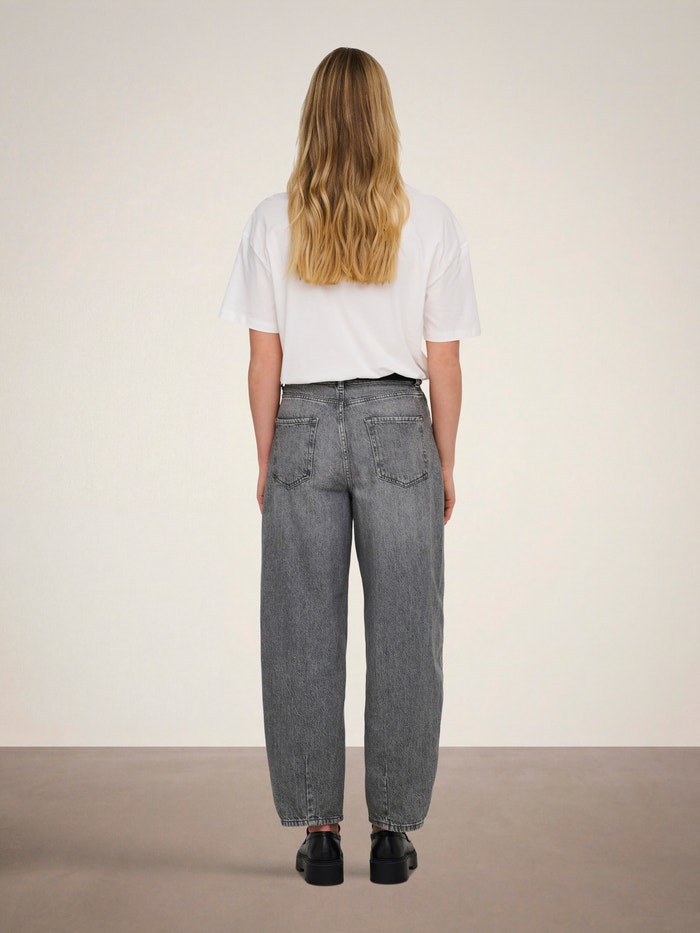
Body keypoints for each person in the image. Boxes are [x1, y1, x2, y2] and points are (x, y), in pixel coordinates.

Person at [218, 47, 481, 885]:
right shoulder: (431, 219)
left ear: (312, 119)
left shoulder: (272, 220)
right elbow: (445, 362)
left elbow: (264, 360)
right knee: (407, 632)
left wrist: (268, 459)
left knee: (300, 631)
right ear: (383, 119)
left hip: (298, 425)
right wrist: (444, 461)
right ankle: (393, 835)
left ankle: (321, 833)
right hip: (399, 425)